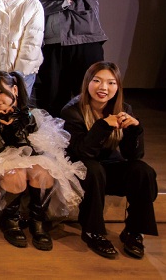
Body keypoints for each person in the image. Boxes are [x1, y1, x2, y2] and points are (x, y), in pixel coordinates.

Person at [0, 71, 86, 251]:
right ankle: (10, 220)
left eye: (0, 92)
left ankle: (38, 221)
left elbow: (37, 149)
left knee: (44, 171)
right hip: (0, 159)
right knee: (15, 174)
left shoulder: (31, 115)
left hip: (31, 156)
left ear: (15, 90)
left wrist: (18, 127)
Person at [61, 61, 158, 260]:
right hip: (80, 171)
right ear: (87, 83)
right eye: (97, 81)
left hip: (108, 170)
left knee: (142, 170)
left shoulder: (124, 108)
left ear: (118, 86)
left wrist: (135, 130)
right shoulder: (72, 111)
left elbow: (134, 156)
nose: (103, 87)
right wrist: (103, 125)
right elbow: (83, 152)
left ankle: (134, 231)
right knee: (94, 168)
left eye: (111, 83)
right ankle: (92, 231)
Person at [32, 0, 107, 117]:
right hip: (52, 46)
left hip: (84, 42)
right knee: (53, 95)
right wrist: (63, 3)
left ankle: (91, 130)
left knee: (88, 92)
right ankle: (56, 133)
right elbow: (35, 6)